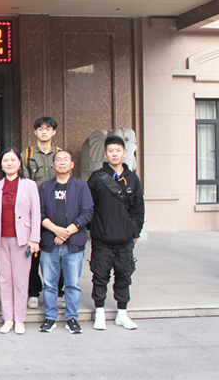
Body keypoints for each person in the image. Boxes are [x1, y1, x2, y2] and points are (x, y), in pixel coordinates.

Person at [87, 135, 145, 331]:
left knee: (124, 276)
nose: (114, 154)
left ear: (125, 153)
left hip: (125, 238)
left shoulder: (132, 179)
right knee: (100, 275)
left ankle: (122, 313)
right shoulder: (97, 178)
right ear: (105, 154)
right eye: (111, 151)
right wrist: (94, 229)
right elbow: (88, 206)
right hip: (102, 239)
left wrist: (136, 232)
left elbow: (138, 207)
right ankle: (99, 312)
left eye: (118, 151)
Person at [38, 150, 93, 334]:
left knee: (72, 284)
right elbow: (39, 213)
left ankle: (72, 318)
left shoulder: (81, 187)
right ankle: (50, 317)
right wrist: (56, 230)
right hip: (49, 243)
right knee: (50, 284)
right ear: (53, 165)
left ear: (72, 164)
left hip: (74, 244)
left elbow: (87, 212)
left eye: (66, 160)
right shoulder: (45, 187)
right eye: (58, 160)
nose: (62, 162)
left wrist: (66, 232)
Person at [0, 147, 40, 335]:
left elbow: (36, 213)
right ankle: (8, 318)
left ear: (19, 163)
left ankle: (20, 318)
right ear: (1, 164)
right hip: (0, 238)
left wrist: (34, 238)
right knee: (3, 280)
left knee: (21, 280)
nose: (9, 163)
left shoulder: (29, 185)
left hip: (23, 239)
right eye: (5, 160)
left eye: (13, 160)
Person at [21, 117, 64, 310]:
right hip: (34, 211)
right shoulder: (27, 155)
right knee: (33, 253)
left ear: (54, 132)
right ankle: (33, 291)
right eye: (40, 129)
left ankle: (59, 291)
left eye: (48, 129)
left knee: (59, 252)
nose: (44, 132)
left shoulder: (61, 154)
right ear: (35, 132)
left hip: (57, 210)